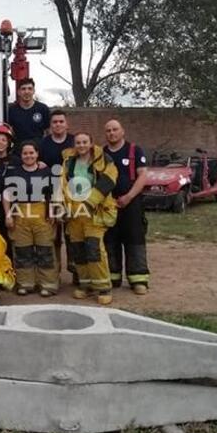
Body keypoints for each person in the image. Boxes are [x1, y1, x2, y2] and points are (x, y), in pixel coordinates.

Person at [61, 132, 118, 305]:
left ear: (91, 143)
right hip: (75, 213)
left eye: (85, 142)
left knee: (94, 250)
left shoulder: (105, 160)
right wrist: (65, 207)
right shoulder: (68, 162)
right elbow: (63, 184)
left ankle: (103, 287)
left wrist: (90, 202)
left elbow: (109, 180)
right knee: (78, 250)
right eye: (78, 142)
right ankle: (85, 285)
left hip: (95, 211)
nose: (81, 145)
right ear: (74, 145)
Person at [3, 141, 59, 297]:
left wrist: (53, 211)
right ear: (21, 156)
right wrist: (8, 214)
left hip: (42, 213)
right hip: (20, 213)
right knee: (22, 250)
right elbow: (7, 194)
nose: (28, 156)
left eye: (31, 153)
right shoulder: (14, 173)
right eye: (25, 153)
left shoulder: (46, 171)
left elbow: (53, 193)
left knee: (45, 249)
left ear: (37, 154)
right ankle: (25, 283)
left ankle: (48, 284)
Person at [103, 119, 151, 295]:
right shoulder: (101, 153)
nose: (112, 133)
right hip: (108, 205)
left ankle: (138, 279)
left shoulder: (134, 151)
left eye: (115, 130)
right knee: (110, 240)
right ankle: (112, 276)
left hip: (131, 204)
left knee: (134, 240)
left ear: (122, 131)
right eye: (108, 130)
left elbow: (143, 175)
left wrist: (129, 197)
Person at [39, 109, 78, 285]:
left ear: (67, 124)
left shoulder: (74, 142)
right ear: (50, 125)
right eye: (55, 122)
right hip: (50, 194)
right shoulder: (43, 144)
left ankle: (77, 271)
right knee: (53, 235)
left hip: (72, 195)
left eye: (61, 121)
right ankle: (53, 274)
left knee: (73, 234)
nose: (58, 125)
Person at [7, 77, 50, 145]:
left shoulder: (43, 109)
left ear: (33, 91)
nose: (27, 92)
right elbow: (8, 132)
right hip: (18, 151)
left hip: (38, 150)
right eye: (23, 89)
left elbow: (49, 131)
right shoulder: (12, 110)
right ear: (18, 92)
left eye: (30, 89)